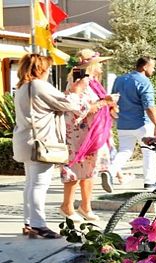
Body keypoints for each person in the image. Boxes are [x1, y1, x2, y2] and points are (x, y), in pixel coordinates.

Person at [13, 53, 87, 239]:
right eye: (48, 68)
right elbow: (68, 104)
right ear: (41, 69)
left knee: (31, 184)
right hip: (40, 143)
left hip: (25, 140)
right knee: (39, 185)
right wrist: (76, 90)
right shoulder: (38, 85)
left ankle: (29, 222)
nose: (49, 72)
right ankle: (38, 225)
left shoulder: (23, 87)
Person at [60, 49, 118, 223]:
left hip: (92, 131)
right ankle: (67, 206)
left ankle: (86, 206)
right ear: (90, 65)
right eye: (99, 63)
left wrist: (109, 105)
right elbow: (81, 107)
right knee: (76, 169)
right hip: (80, 132)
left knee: (90, 169)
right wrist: (104, 103)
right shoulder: (79, 80)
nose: (101, 66)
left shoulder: (92, 82)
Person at [110, 56, 156, 189]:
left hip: (123, 123)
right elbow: (149, 106)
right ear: (144, 67)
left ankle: (110, 171)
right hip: (142, 123)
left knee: (125, 151)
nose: (153, 70)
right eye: (152, 66)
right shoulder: (144, 82)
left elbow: (112, 100)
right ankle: (149, 182)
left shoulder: (119, 80)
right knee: (149, 151)